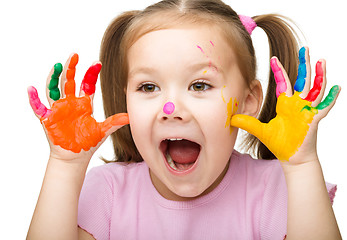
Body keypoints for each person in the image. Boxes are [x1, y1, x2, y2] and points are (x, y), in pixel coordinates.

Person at [26, 0, 342, 239]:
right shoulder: (106, 193)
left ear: (248, 102)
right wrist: (65, 167)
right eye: (148, 87)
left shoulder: (279, 190)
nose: (170, 108)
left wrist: (302, 166)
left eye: (199, 85)